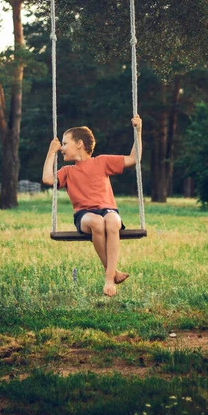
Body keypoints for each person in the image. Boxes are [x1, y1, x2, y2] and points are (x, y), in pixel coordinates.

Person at [42, 115, 142, 297]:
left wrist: (138, 131)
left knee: (111, 220)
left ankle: (110, 276)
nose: (62, 148)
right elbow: (47, 179)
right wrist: (51, 152)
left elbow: (133, 159)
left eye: (65, 144)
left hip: (108, 210)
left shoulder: (102, 162)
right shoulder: (67, 171)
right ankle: (110, 274)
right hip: (85, 215)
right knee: (97, 221)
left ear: (79, 144)